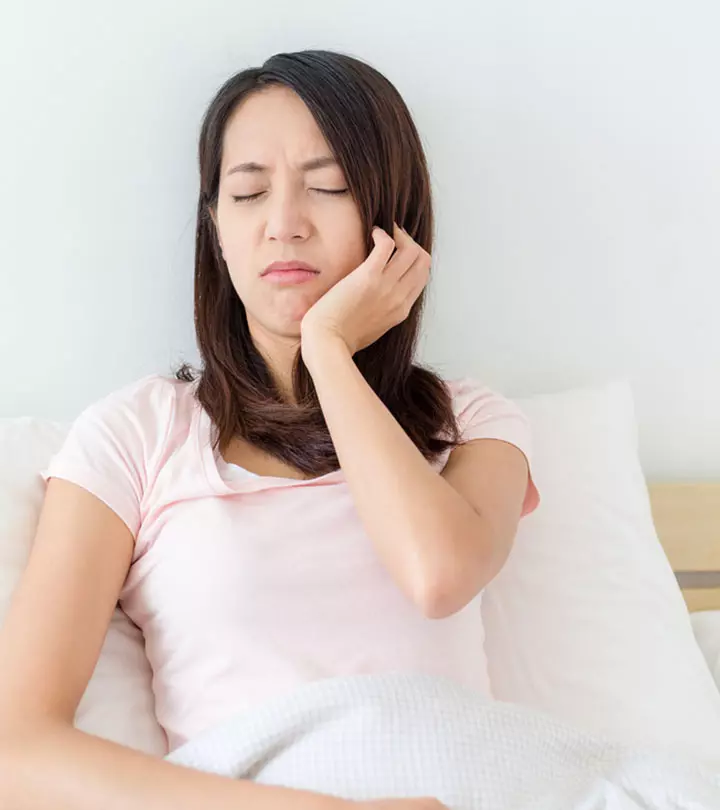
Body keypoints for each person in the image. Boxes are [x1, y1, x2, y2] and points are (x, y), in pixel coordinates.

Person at [0, 49, 539, 810]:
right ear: (216, 229)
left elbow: (439, 576)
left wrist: (327, 351)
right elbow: (15, 753)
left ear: (393, 219)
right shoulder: (135, 435)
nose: (284, 225)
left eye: (328, 187)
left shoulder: (472, 421)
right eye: (248, 193)